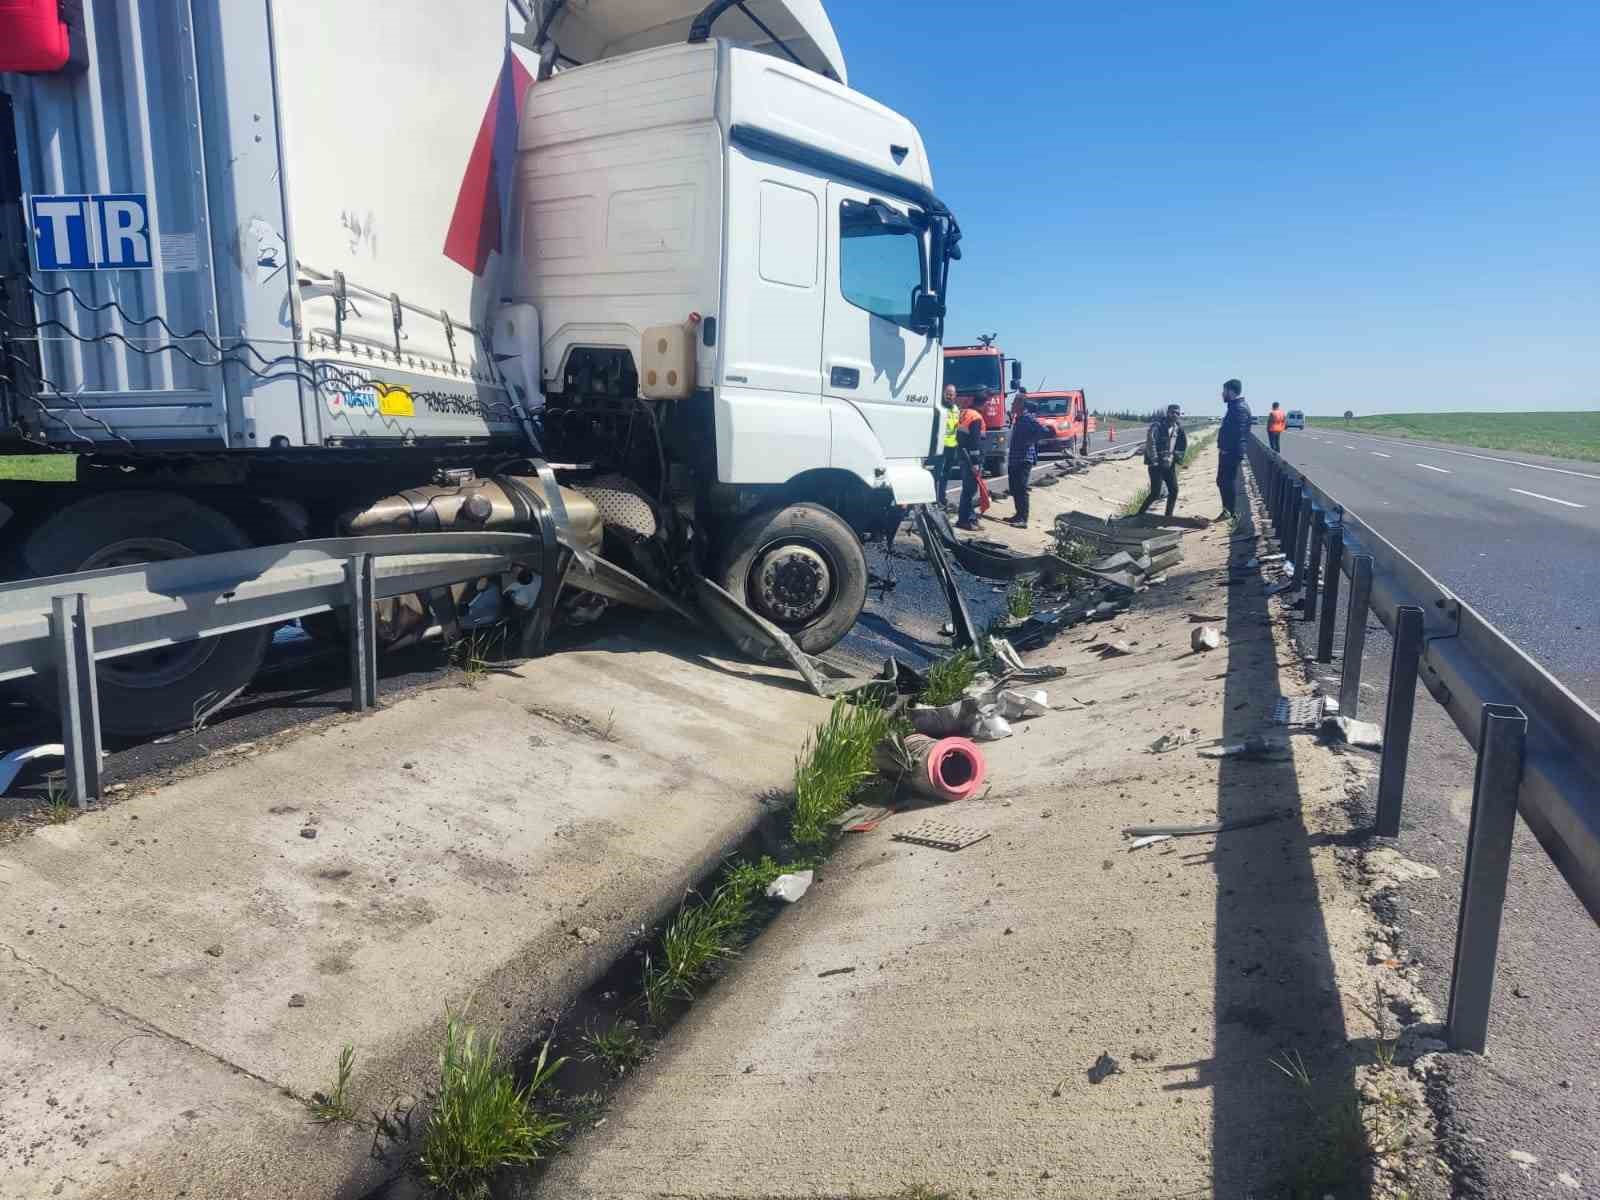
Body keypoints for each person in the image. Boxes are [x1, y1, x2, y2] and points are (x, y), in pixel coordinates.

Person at [1005, 387, 1051, 528]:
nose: (1012, 406)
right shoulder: (1018, 419)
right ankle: (1018, 514)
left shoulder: (1027, 418)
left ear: (1020, 405)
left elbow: (1044, 431)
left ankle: (1023, 519)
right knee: (1014, 488)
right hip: (1015, 459)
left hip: (1023, 459)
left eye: (1014, 404)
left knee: (1021, 488)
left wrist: (1031, 441)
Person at [1137, 404, 1187, 519]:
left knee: (1174, 490)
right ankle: (1139, 515)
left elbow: (1182, 445)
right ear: (1167, 413)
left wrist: (1176, 457)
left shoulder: (1178, 428)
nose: (1175, 415)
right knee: (1156, 493)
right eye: (1172, 412)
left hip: (1169, 465)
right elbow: (1151, 443)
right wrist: (1154, 460)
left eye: (1177, 413)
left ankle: (1168, 517)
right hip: (1156, 465)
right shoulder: (1157, 426)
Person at [1217, 378, 1253, 525]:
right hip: (1228, 451)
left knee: (1227, 481)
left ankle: (1231, 513)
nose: (1222, 394)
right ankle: (1227, 511)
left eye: (1224, 391)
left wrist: (1227, 449)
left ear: (1231, 391)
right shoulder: (1234, 406)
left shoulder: (1239, 408)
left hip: (1231, 452)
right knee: (1222, 481)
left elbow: (1238, 433)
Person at [955, 391, 987, 530]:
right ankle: (965, 520)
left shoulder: (963, 412)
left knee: (967, 490)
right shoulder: (976, 417)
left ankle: (969, 518)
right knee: (970, 490)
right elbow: (975, 442)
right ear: (984, 403)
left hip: (962, 455)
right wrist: (975, 463)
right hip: (970, 458)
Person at [935, 383, 960, 505]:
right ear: (944, 394)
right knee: (938, 474)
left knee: (946, 474)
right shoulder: (939, 407)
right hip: (940, 446)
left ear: (955, 396)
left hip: (952, 446)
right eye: (947, 394)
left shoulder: (956, 409)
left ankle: (942, 497)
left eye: (952, 394)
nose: (949, 396)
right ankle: (935, 499)